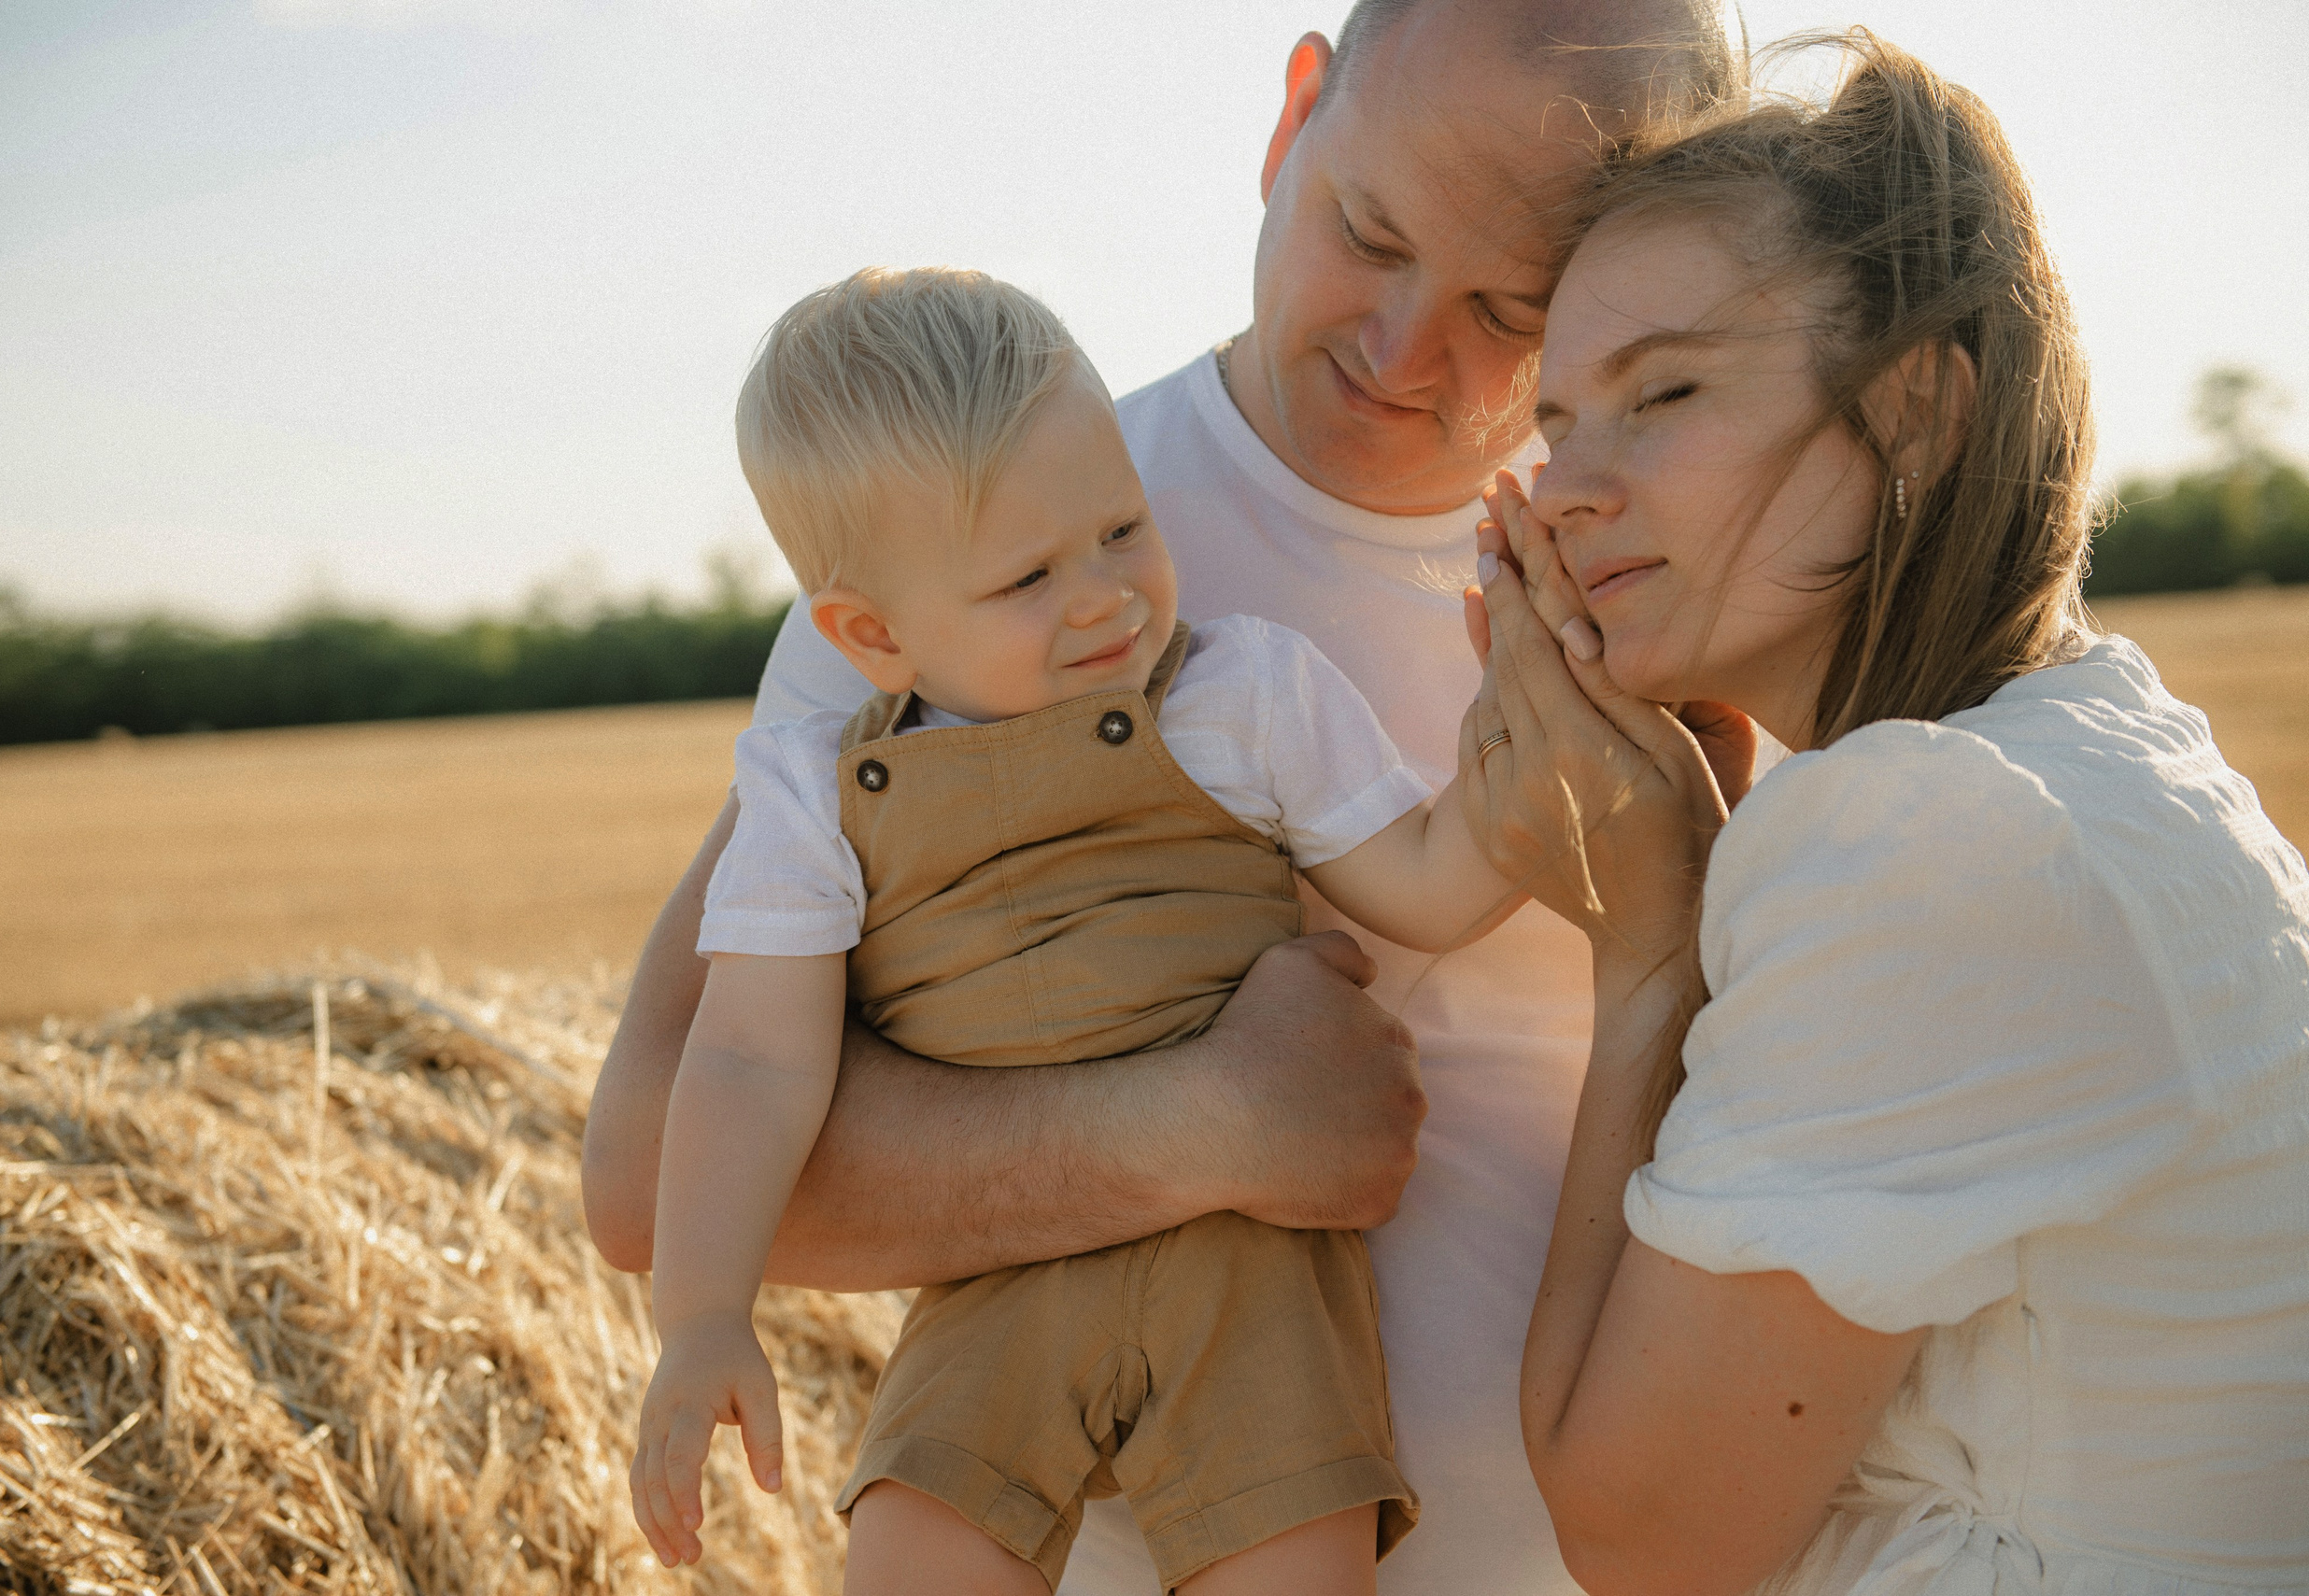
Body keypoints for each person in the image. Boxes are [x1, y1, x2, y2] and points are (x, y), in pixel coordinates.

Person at [586, 3, 1732, 1588]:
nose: (1402, 349)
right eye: (1369, 231)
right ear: (1292, 120)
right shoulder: (958, 533)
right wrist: (1200, 1128)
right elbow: (649, 1158)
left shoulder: (1696, 569)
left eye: (1509, 303)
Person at [1459, 33, 2309, 1593]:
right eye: (1561, 418)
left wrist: (1650, 946)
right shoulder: (2106, 746)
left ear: (1913, 412)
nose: (1568, 486)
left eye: (1665, 392)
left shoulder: (1927, 840)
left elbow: (1643, 1537)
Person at [629, 265, 1554, 1593]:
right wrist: (703, 1317)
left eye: (1122, 527)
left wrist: (1535, 738)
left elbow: (1426, 878)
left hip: (1258, 1287)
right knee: (908, 1552)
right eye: (1027, 576)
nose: (1106, 595)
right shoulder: (810, 792)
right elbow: (749, 1065)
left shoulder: (1241, 691)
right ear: (872, 633)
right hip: (998, 1283)